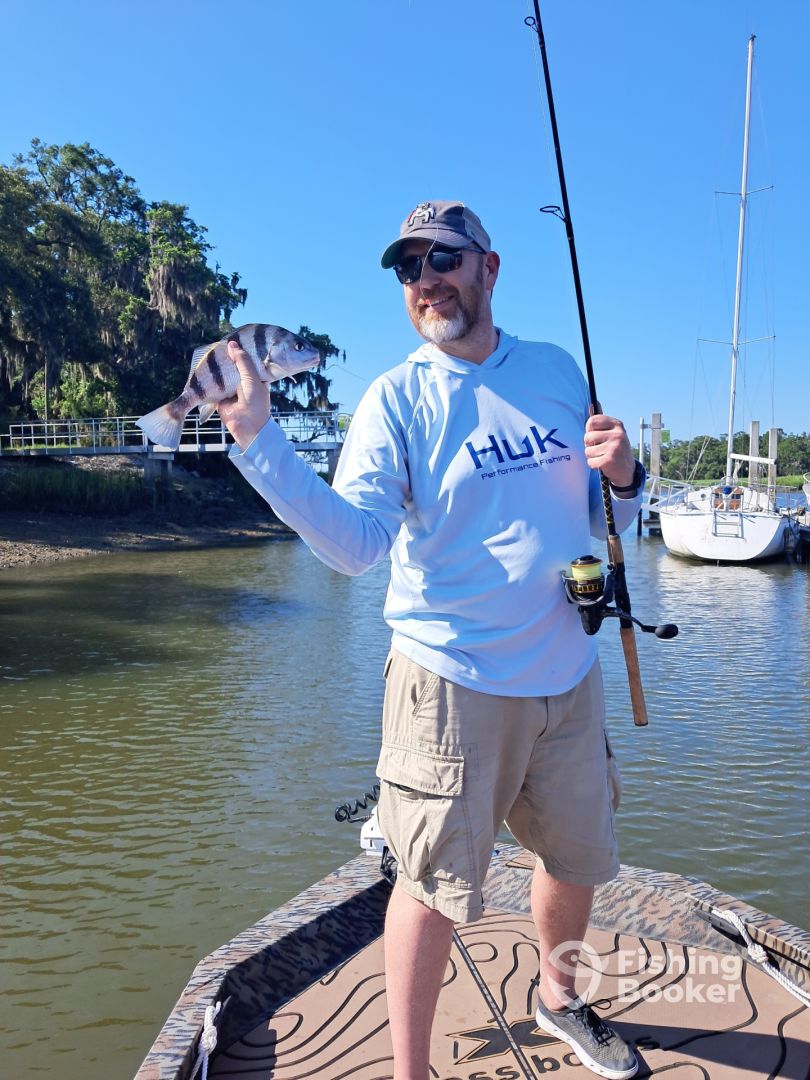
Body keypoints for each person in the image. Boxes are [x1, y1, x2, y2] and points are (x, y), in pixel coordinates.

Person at [219, 200, 644, 1080]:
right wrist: (259, 440)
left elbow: (612, 518)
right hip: (449, 684)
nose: (426, 280)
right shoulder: (395, 399)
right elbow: (354, 548)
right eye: (408, 267)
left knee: (576, 857)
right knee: (429, 888)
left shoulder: (557, 371)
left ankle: (559, 999)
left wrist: (628, 478)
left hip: (568, 672)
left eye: (444, 258)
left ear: (490, 267)